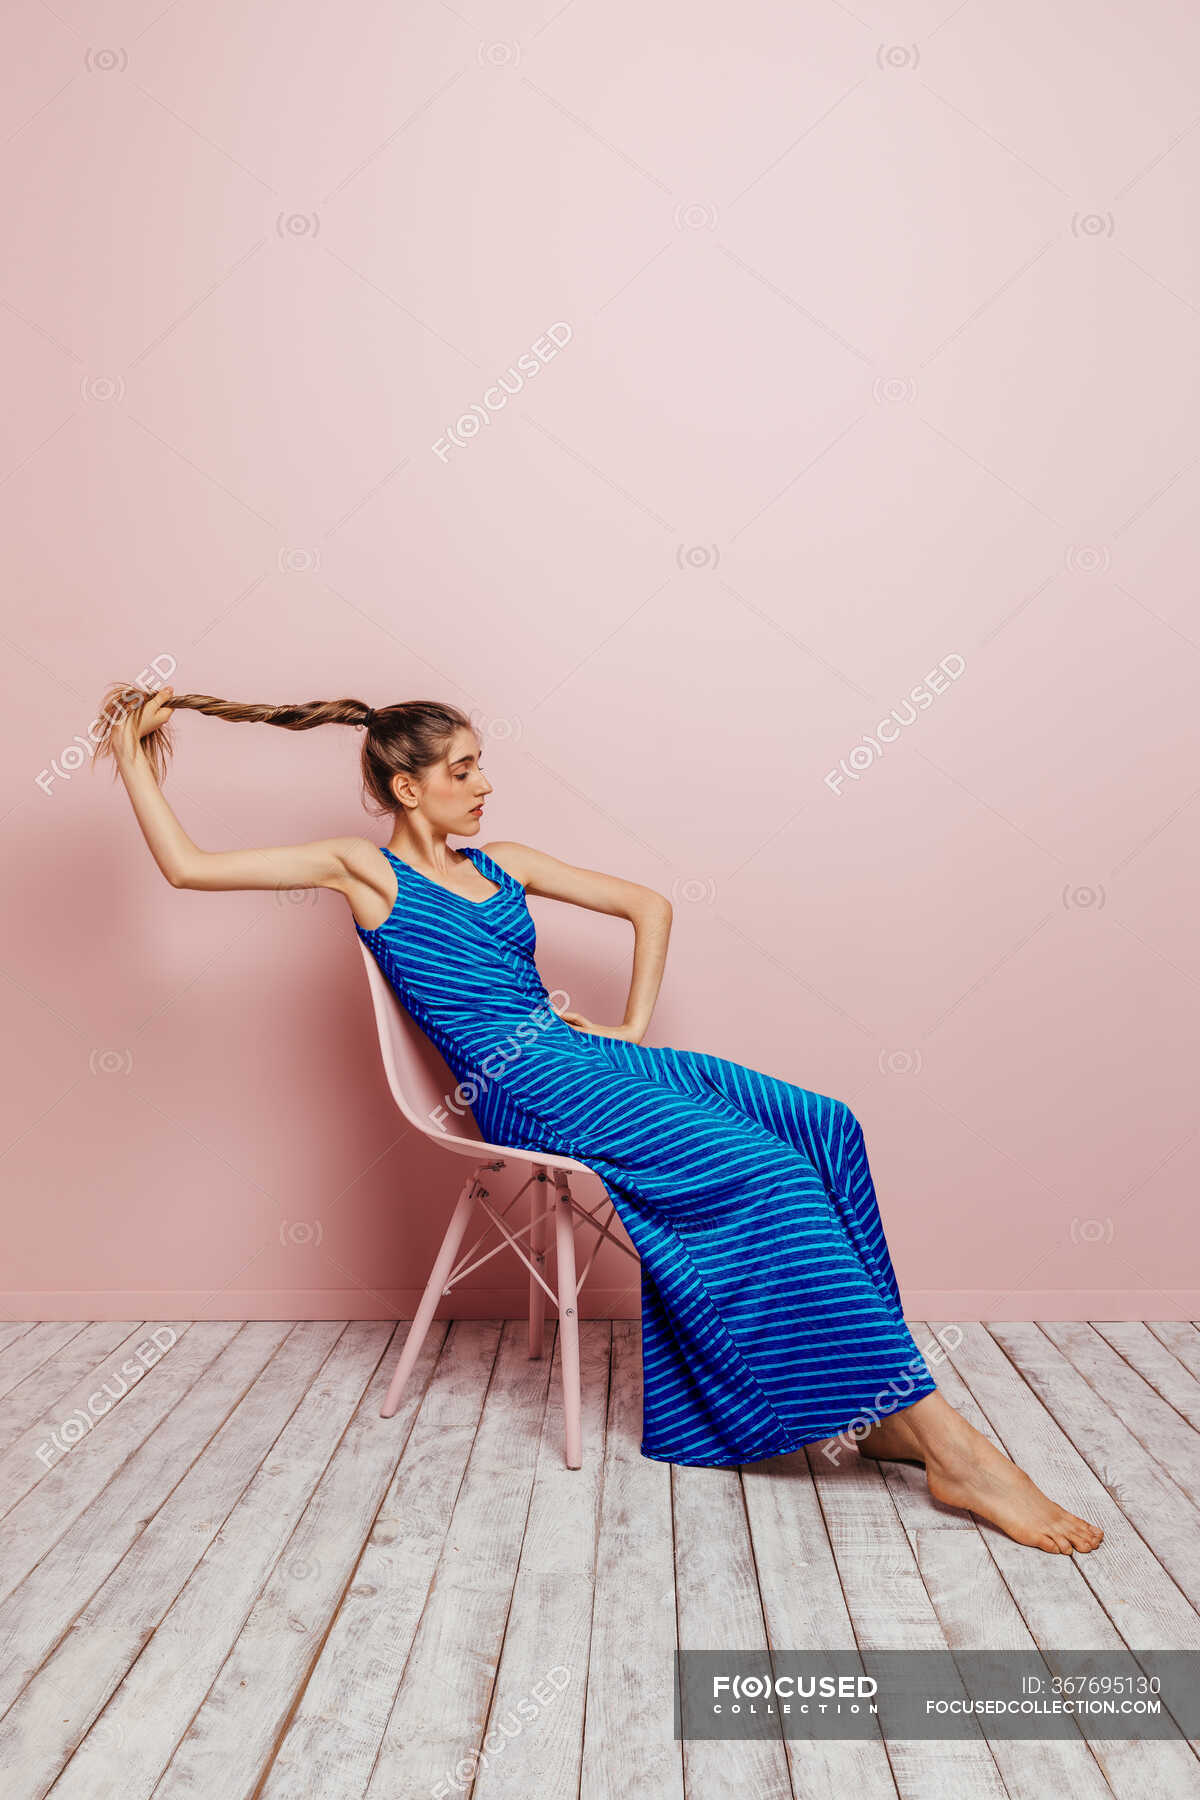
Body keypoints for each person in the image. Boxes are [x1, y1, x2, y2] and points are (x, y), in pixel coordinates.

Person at [96, 681, 1103, 1556]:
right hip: (521, 1090)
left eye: (482, 764)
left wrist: (628, 1024)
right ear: (406, 788)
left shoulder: (505, 864)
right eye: (461, 770)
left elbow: (650, 905)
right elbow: (190, 867)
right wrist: (137, 757)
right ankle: (954, 1448)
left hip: (586, 1058)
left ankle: (872, 1406)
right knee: (770, 1175)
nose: (483, 785)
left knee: (825, 1125)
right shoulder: (363, 871)